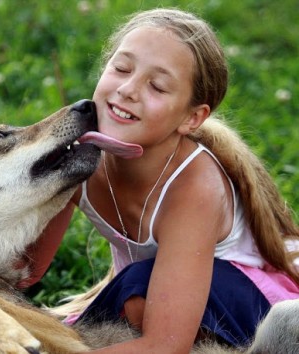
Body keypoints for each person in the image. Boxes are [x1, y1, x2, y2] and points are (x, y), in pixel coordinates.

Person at [17, 8, 299, 354]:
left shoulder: (194, 187)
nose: (128, 89)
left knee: (136, 295)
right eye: (121, 68)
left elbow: (164, 346)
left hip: (254, 309)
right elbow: (23, 272)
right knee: (122, 303)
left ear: (192, 117)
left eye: (158, 86)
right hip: (154, 298)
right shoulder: (82, 155)